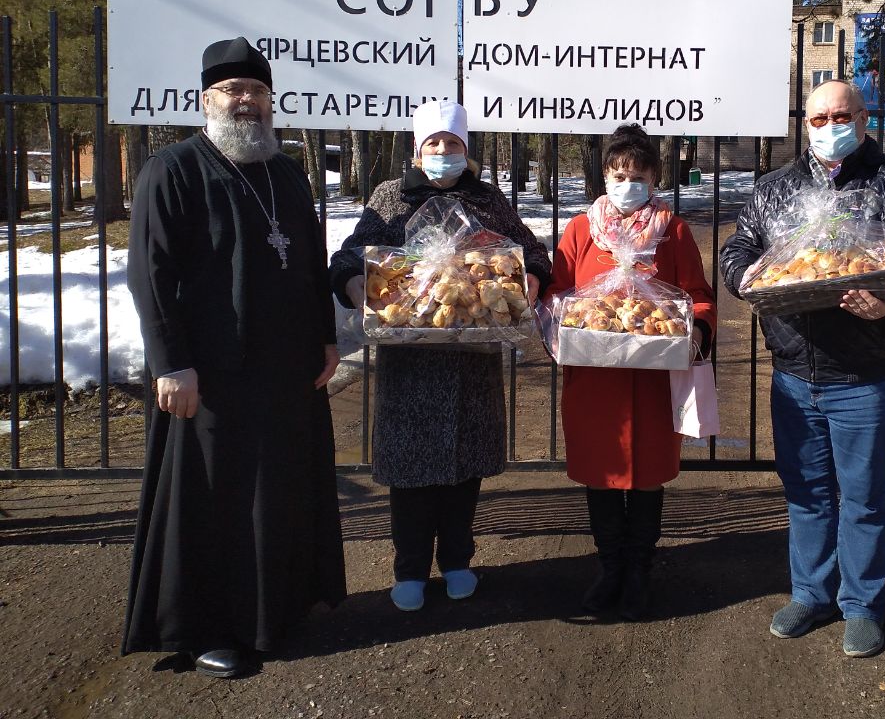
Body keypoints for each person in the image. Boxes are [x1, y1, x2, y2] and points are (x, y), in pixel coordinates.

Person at [124, 37, 346, 679]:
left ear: (270, 101)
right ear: (206, 100)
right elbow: (151, 274)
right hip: (211, 373)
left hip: (284, 369)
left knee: (279, 490)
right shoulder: (172, 169)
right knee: (215, 498)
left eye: (256, 91)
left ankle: (276, 608)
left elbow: (304, 262)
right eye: (232, 91)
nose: (245, 101)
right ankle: (208, 627)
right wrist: (171, 362)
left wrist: (324, 337)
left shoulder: (285, 171)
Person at [719, 79, 885, 658]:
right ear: (805, 122)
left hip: (868, 373)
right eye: (819, 118)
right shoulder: (775, 189)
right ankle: (810, 593)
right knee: (806, 493)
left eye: (841, 115)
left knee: (866, 496)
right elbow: (738, 251)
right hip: (795, 370)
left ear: (864, 118)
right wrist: (752, 282)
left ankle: (864, 603)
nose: (829, 127)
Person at [329, 100, 551, 614]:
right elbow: (351, 251)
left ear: (466, 152)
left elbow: (528, 248)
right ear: (417, 149)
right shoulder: (392, 197)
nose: (443, 153)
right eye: (434, 144)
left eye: (452, 145)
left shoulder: (486, 199)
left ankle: (456, 559)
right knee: (410, 467)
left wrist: (534, 275)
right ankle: (409, 566)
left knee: (464, 464)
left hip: (472, 351)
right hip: (410, 354)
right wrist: (354, 278)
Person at [543, 124, 716, 621]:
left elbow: (697, 295)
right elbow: (557, 292)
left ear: (655, 178)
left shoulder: (673, 230)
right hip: (595, 377)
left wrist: (697, 331)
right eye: (619, 174)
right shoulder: (580, 229)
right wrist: (566, 324)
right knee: (601, 476)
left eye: (638, 175)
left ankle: (639, 567)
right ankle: (609, 567)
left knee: (646, 477)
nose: (627, 184)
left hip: (652, 378)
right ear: (604, 176)